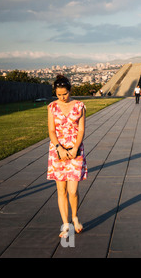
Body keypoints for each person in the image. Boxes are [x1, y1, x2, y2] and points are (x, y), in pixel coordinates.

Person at [48, 74, 87, 238]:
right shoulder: (51, 107)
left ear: (70, 90)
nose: (62, 97)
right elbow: (51, 131)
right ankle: (65, 224)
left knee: (73, 191)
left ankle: (75, 217)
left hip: (75, 151)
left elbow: (82, 130)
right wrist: (59, 148)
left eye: (65, 93)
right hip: (57, 152)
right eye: (59, 95)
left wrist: (75, 148)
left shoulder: (80, 106)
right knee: (61, 190)